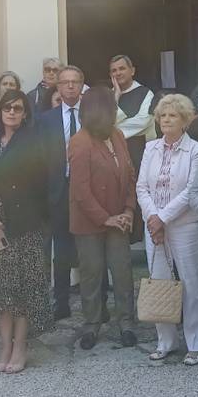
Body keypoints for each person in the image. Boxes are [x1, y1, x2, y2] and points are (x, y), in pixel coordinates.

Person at [0, 88, 53, 374]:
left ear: (25, 113)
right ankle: (5, 346)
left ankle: (21, 347)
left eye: (18, 108)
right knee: (1, 292)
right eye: (7, 108)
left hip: (23, 225)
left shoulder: (33, 142)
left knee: (21, 291)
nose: (12, 113)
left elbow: (21, 176)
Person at [137, 94, 198, 365]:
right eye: (163, 115)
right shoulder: (150, 148)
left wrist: (163, 218)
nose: (166, 120)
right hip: (153, 225)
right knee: (160, 281)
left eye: (173, 115)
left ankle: (196, 343)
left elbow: (191, 191)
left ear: (185, 120)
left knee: (192, 283)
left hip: (184, 226)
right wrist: (153, 218)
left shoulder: (196, 151)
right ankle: (165, 341)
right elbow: (141, 187)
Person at [68, 88, 137, 350]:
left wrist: (129, 211)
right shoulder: (80, 141)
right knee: (91, 273)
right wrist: (105, 218)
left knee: (122, 271)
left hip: (119, 218)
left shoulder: (118, 135)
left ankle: (126, 323)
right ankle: (92, 324)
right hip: (89, 221)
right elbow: (80, 190)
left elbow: (130, 175)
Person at [40, 64, 86, 319]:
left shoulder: (91, 117)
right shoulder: (46, 120)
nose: (70, 86)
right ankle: (61, 302)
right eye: (65, 82)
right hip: (59, 191)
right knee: (62, 249)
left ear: (82, 86)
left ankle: (96, 302)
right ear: (57, 87)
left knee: (90, 248)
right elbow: (41, 160)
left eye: (75, 81)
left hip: (87, 191)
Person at [110, 54, 157, 170]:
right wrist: (115, 97)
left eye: (122, 68)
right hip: (113, 154)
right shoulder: (107, 95)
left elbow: (143, 122)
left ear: (132, 71)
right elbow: (102, 122)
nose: (118, 73)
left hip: (139, 153)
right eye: (114, 70)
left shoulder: (145, 93)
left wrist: (110, 130)